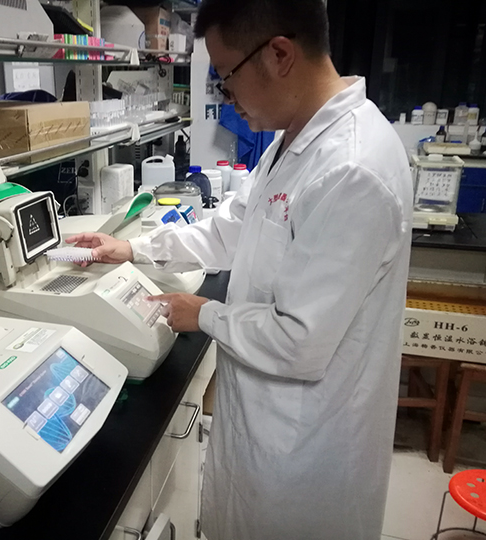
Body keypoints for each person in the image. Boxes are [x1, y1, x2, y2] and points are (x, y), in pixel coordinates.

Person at [68, 0, 413, 538]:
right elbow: (231, 230)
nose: (225, 97)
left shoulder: (352, 168)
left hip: (305, 455)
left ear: (279, 55)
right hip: (263, 433)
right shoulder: (293, 140)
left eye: (226, 77)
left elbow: (300, 341)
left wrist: (204, 313)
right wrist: (133, 248)